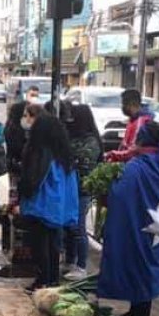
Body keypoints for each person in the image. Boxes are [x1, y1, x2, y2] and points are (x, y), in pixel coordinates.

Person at [97, 121, 159, 316]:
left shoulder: (136, 167)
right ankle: (136, 314)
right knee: (146, 269)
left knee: (137, 266)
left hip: (138, 227)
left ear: (140, 140)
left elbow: (118, 195)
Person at [19, 110, 77, 291]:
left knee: (40, 244)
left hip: (41, 206)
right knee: (54, 245)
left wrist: (23, 195)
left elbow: (33, 180)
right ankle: (52, 279)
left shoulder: (41, 152)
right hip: (58, 208)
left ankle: (42, 280)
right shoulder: (64, 155)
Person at [64, 103, 102, 280]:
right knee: (69, 226)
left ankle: (81, 266)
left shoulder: (91, 141)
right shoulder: (73, 136)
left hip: (82, 190)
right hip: (70, 188)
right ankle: (70, 260)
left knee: (78, 228)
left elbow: (81, 159)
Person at [105, 88, 153, 162]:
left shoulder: (141, 122)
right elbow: (125, 143)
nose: (122, 107)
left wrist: (114, 154)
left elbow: (133, 151)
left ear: (132, 104)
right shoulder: (133, 119)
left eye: (124, 104)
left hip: (136, 164)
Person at [4, 100, 30, 205]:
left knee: (15, 189)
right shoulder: (14, 128)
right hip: (16, 163)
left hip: (14, 163)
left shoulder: (12, 125)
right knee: (16, 189)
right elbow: (16, 146)